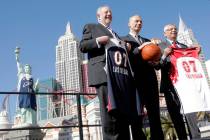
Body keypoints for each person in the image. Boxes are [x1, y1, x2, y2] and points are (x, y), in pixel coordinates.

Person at [80, 6, 146, 140]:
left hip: (120, 77)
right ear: (98, 16)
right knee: (110, 115)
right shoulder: (91, 27)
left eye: (110, 12)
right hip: (104, 76)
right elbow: (83, 46)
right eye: (106, 12)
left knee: (122, 114)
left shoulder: (116, 34)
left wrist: (131, 47)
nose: (109, 14)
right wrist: (99, 41)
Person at [121, 15, 164, 140]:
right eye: (136, 21)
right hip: (134, 82)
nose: (139, 23)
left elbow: (157, 63)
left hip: (150, 80)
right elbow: (124, 58)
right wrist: (138, 49)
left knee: (155, 114)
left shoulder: (148, 40)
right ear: (129, 24)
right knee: (136, 116)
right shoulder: (123, 39)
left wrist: (156, 62)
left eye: (141, 21)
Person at [159, 24, 201, 140]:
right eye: (170, 29)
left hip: (186, 85)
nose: (173, 30)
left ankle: (196, 137)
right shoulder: (160, 46)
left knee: (191, 114)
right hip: (170, 86)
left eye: (175, 29)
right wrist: (164, 55)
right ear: (164, 33)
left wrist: (196, 52)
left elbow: (191, 63)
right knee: (176, 116)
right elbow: (158, 66)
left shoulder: (184, 46)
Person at [15, 47, 39, 127]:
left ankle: (32, 123)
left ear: (30, 69)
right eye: (26, 68)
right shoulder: (22, 75)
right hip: (23, 97)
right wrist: (17, 54)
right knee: (23, 111)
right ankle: (23, 123)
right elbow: (18, 64)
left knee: (32, 113)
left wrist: (37, 86)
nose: (27, 69)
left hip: (31, 99)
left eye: (28, 68)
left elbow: (36, 91)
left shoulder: (32, 78)